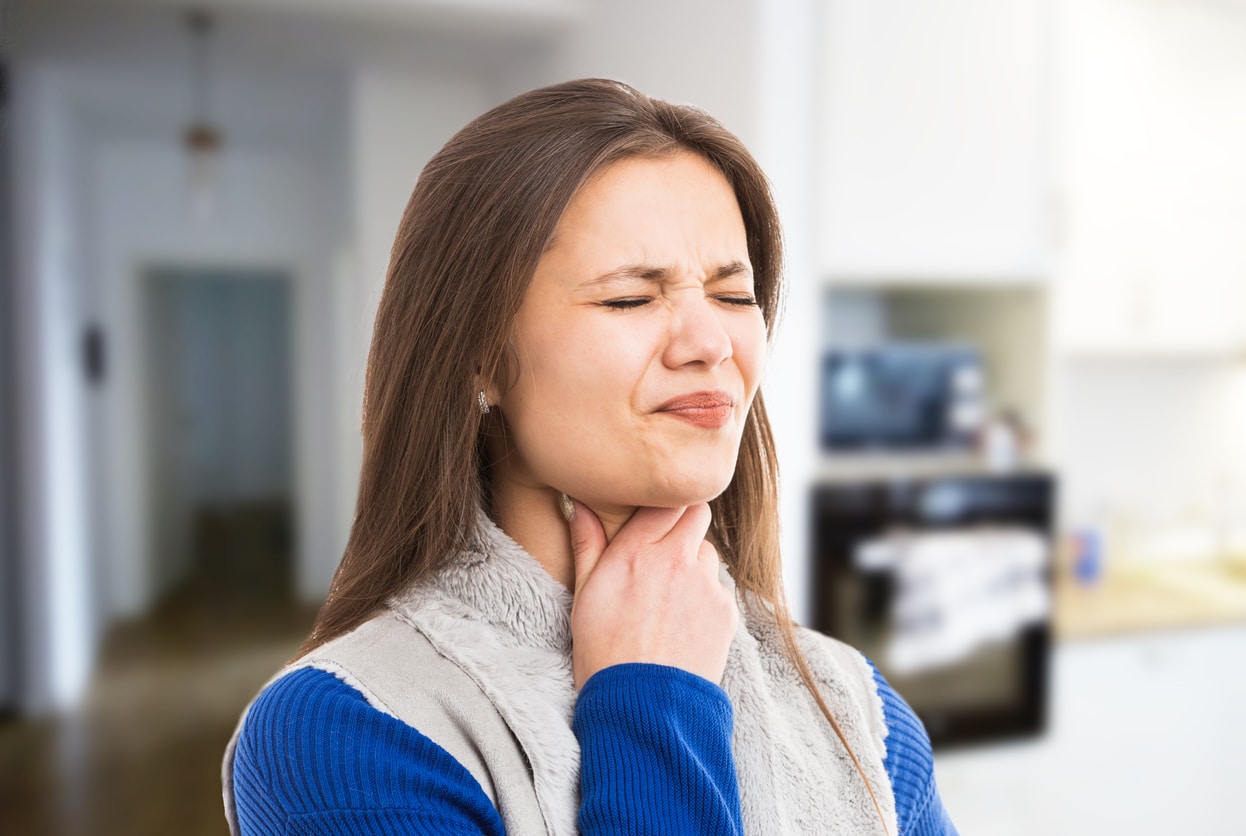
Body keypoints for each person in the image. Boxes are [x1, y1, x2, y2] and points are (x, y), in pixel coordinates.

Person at [223, 78, 958, 836]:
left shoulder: (860, 713)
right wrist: (651, 698)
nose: (711, 344)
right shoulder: (341, 734)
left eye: (734, 298)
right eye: (630, 299)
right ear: (478, 355)